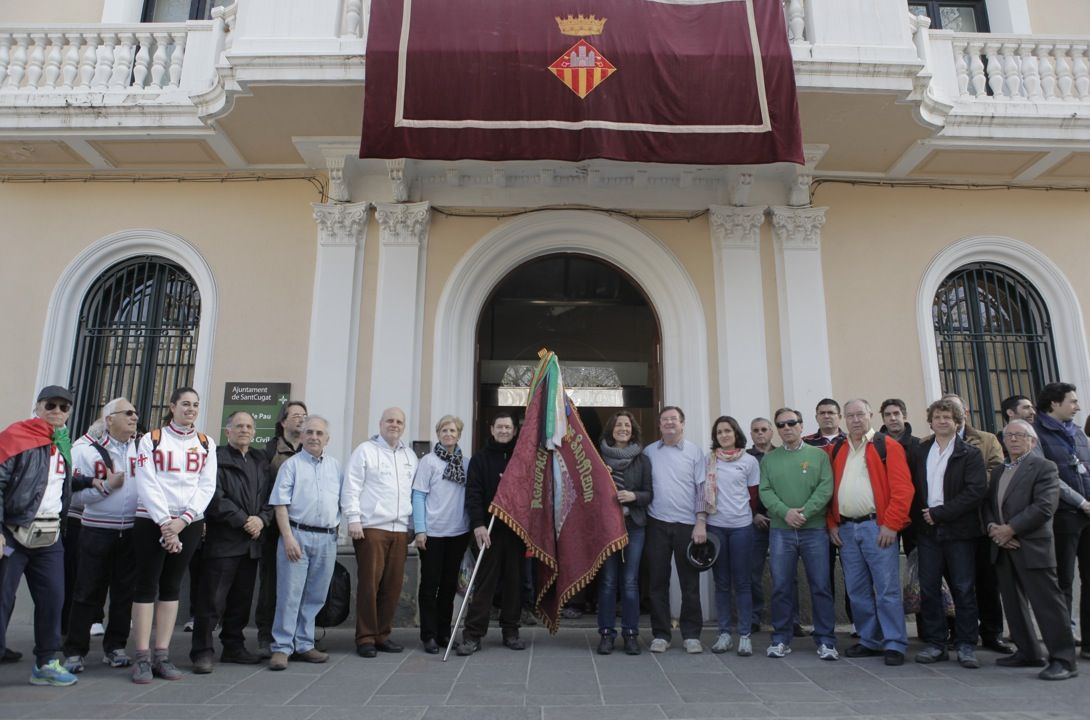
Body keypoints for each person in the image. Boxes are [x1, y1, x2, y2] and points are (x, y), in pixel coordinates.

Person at [130, 387, 217, 683]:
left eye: (195, 405)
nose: (191, 409)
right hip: (151, 519)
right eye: (185, 404)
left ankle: (162, 655)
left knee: (171, 586)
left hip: (188, 522)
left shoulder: (206, 443)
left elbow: (206, 485)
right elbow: (146, 481)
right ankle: (142, 656)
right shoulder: (151, 439)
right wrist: (165, 522)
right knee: (146, 586)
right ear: (172, 406)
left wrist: (184, 520)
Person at [0, 385, 81, 686]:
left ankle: (46, 661)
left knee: (53, 599)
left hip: (49, 535)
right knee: (2, 599)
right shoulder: (16, 436)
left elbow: (56, 481)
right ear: (38, 406)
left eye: (64, 407)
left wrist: (94, 481)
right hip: (13, 531)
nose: (57, 411)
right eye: (51, 405)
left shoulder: (63, 442)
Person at [984, 419, 1078, 680]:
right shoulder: (999, 470)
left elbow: (1044, 506)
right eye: (1009, 435)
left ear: (1032, 441)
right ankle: (1028, 652)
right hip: (1003, 546)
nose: (1013, 439)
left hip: (1032, 545)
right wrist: (994, 529)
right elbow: (989, 505)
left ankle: (1064, 660)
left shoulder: (1044, 467)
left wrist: (1010, 529)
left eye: (1020, 435)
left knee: (1047, 604)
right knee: (1013, 604)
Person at [827, 399, 913, 666]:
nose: (855, 420)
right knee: (857, 589)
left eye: (860, 414)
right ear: (844, 418)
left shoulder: (887, 446)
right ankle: (869, 639)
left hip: (877, 527)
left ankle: (894, 642)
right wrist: (832, 523)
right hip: (846, 528)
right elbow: (831, 489)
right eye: (850, 415)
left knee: (887, 589)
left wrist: (892, 524)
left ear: (870, 415)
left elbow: (903, 489)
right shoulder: (838, 448)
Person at [190, 411, 273, 673]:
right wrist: (243, 520)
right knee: (212, 601)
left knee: (241, 600)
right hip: (223, 542)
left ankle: (234, 646)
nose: (244, 430)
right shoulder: (215, 458)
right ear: (228, 431)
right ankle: (202, 651)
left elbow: (270, 497)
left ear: (254, 431)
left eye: (249, 426)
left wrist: (261, 519)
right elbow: (213, 497)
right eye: (239, 426)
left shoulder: (260, 460)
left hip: (251, 543)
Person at [62, 398, 139, 673]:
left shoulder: (143, 449)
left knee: (124, 593)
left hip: (131, 530)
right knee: (86, 591)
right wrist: (106, 487)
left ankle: (115, 647)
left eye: (135, 413)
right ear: (109, 419)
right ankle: (75, 650)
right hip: (96, 529)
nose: (134, 417)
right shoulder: (85, 451)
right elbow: (72, 495)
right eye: (127, 413)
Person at [908, 398, 986, 668]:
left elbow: (975, 491)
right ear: (930, 422)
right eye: (937, 417)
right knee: (929, 589)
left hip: (959, 531)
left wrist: (941, 513)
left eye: (947, 417)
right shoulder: (920, 451)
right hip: (927, 531)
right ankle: (936, 643)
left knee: (963, 588)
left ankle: (966, 644)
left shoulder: (970, 453)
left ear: (957, 422)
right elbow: (913, 488)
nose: (942, 421)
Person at [759, 407, 838, 660]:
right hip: (781, 531)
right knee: (781, 587)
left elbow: (826, 487)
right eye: (781, 425)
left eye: (791, 423)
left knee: (821, 586)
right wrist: (785, 513)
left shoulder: (818, 456)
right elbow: (765, 491)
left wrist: (805, 512)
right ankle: (781, 638)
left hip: (814, 530)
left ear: (801, 425)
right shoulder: (769, 459)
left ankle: (826, 640)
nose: (786, 428)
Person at [343, 407, 418, 658]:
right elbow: (351, 486)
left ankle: (382, 635)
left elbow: (413, 494)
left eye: (399, 421)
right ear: (380, 423)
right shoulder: (365, 451)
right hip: (372, 528)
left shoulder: (409, 456)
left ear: (404, 426)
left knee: (392, 587)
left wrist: (413, 526)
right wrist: (353, 518)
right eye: (390, 420)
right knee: (369, 585)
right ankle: (365, 637)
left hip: (400, 530)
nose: (394, 425)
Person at [268, 416, 342, 670]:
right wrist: (288, 537)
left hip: (327, 538)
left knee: (315, 596)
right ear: (301, 436)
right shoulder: (291, 466)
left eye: (319, 433)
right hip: (297, 535)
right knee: (290, 595)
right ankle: (281, 647)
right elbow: (280, 504)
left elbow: (341, 501)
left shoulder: (335, 467)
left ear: (327, 439)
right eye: (309, 432)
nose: (314, 437)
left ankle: (304, 643)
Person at [942, 392, 1012, 654]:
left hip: (980, 519)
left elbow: (996, 472)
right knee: (956, 582)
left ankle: (992, 633)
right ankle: (959, 631)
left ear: (965, 413)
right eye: (944, 411)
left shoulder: (986, 439)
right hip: (949, 522)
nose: (949, 416)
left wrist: (966, 486)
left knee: (986, 580)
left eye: (954, 410)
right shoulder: (930, 443)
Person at [459, 412, 524, 655]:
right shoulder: (480, 459)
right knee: (485, 583)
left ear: (514, 431)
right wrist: (478, 524)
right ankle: (473, 635)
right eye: (500, 427)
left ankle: (511, 631)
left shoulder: (522, 458)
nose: (504, 431)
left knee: (514, 582)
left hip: (516, 530)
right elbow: (473, 493)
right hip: (489, 530)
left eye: (508, 427)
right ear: (492, 429)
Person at [1032, 382, 1090, 658]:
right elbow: (1049, 476)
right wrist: (1081, 502)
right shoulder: (1037, 433)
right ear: (1055, 403)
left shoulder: (1077, 433)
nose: (1077, 407)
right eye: (1072, 401)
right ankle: (1063, 646)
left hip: (1087, 514)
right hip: (1063, 516)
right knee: (1063, 581)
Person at [643, 406, 707, 654]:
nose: (669, 423)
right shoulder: (649, 452)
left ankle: (691, 635)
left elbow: (701, 489)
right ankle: (661, 634)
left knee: (689, 583)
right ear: (659, 425)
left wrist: (700, 522)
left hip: (687, 525)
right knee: (657, 582)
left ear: (682, 423)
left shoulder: (694, 451)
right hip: (656, 523)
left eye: (674, 419)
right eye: (665, 419)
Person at [412, 415, 471, 654]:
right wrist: (420, 529)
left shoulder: (466, 463)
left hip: (458, 532)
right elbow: (418, 495)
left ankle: (444, 633)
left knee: (448, 586)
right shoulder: (429, 461)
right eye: (444, 430)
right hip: (433, 534)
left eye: (453, 430)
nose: (448, 434)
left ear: (459, 435)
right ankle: (428, 635)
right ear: (438, 434)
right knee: (430, 585)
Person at [596, 410, 653, 655]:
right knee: (608, 581)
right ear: (612, 429)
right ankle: (606, 634)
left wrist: (633, 496)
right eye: (619, 425)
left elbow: (649, 494)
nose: (623, 429)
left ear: (633, 430)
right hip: (606, 528)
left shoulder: (643, 460)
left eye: (627, 425)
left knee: (630, 582)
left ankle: (631, 634)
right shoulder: (598, 458)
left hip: (634, 526)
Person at [256, 400, 307, 657]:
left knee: (299, 587)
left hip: (304, 528)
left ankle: (298, 637)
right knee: (271, 584)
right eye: (295, 415)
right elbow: (262, 490)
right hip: (274, 529)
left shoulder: (311, 451)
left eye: (304, 415)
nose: (301, 419)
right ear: (283, 421)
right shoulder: (269, 452)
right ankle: (266, 635)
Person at [705, 416, 759, 657]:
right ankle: (724, 634)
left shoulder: (749, 461)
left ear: (736, 433)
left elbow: (753, 495)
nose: (724, 435)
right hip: (716, 527)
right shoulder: (709, 460)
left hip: (741, 527)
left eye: (728, 431)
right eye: (719, 432)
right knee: (722, 583)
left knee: (743, 583)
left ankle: (745, 635)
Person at [802, 398, 852, 632]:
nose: (827, 416)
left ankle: (856, 622)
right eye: (822, 413)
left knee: (853, 572)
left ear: (839, 416)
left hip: (846, 514)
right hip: (817, 517)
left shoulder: (851, 441)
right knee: (822, 575)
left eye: (831, 412)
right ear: (816, 417)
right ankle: (825, 623)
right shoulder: (806, 443)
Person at [747, 417, 778, 634]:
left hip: (781, 522)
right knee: (752, 573)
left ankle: (790, 620)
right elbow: (739, 490)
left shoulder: (783, 454)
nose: (760, 433)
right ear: (751, 434)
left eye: (764, 429)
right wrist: (754, 515)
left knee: (786, 574)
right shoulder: (745, 458)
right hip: (754, 522)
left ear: (771, 432)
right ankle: (753, 617)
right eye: (756, 430)